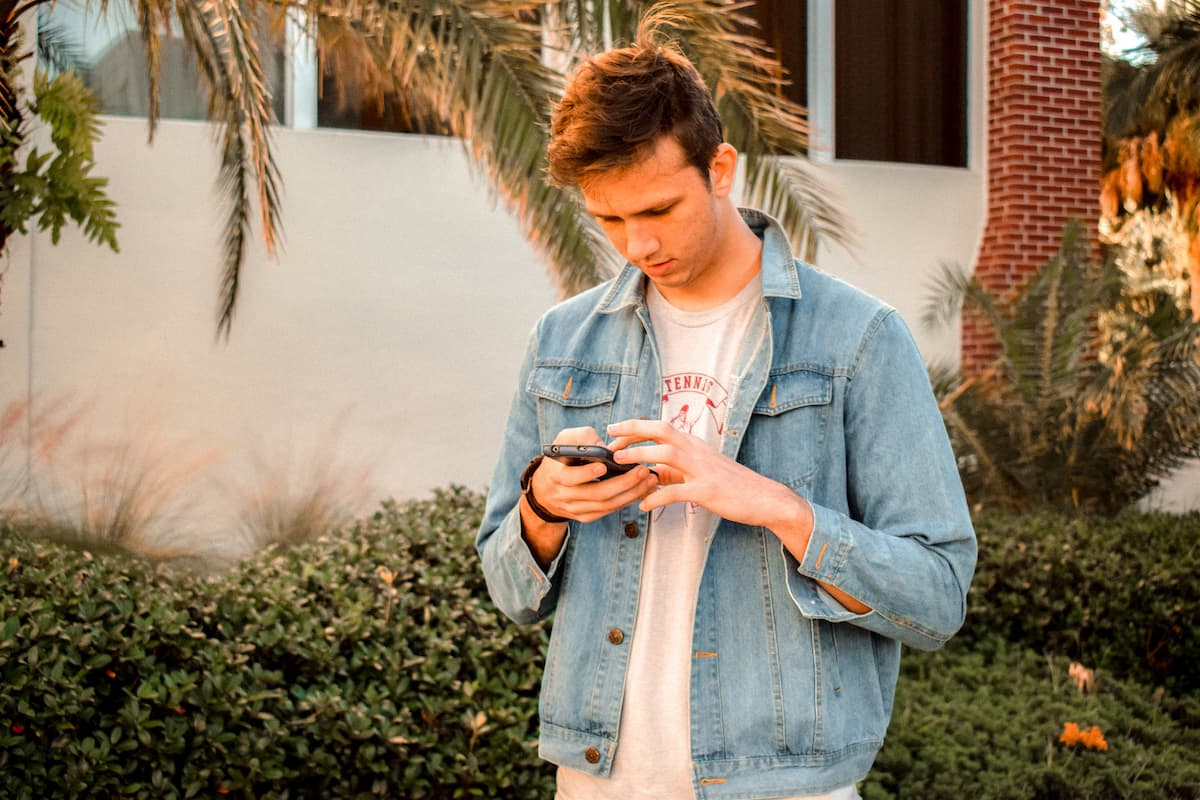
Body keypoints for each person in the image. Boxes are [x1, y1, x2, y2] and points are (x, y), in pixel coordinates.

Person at [476, 15, 976, 800]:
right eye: (609, 219)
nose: (637, 245)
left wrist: (774, 506)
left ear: (721, 169)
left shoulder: (856, 338)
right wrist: (544, 506)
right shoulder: (562, 341)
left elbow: (937, 596)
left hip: (783, 787)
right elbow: (508, 588)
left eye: (658, 210)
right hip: (597, 780)